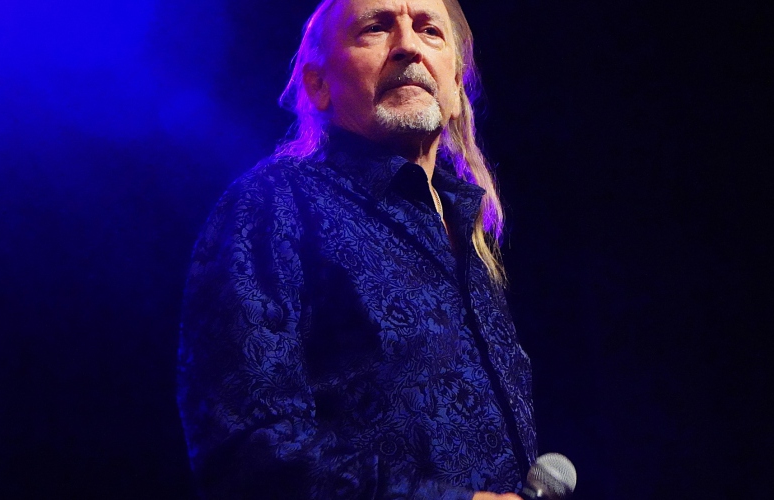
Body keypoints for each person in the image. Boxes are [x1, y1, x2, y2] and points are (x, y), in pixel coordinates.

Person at [177, 0, 536, 498]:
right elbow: (244, 446)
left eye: (430, 30)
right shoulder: (272, 204)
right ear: (317, 85)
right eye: (375, 28)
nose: (408, 46)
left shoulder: (467, 235)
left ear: (456, 87)